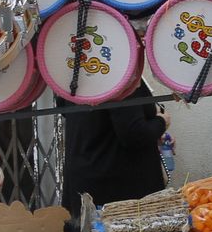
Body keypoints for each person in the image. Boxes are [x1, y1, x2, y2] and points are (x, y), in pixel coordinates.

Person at [61, 83, 169, 223]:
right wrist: (162, 122)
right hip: (116, 193)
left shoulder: (78, 73)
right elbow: (134, 134)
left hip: (86, 178)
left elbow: (88, 119)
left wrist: (154, 132)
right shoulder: (120, 74)